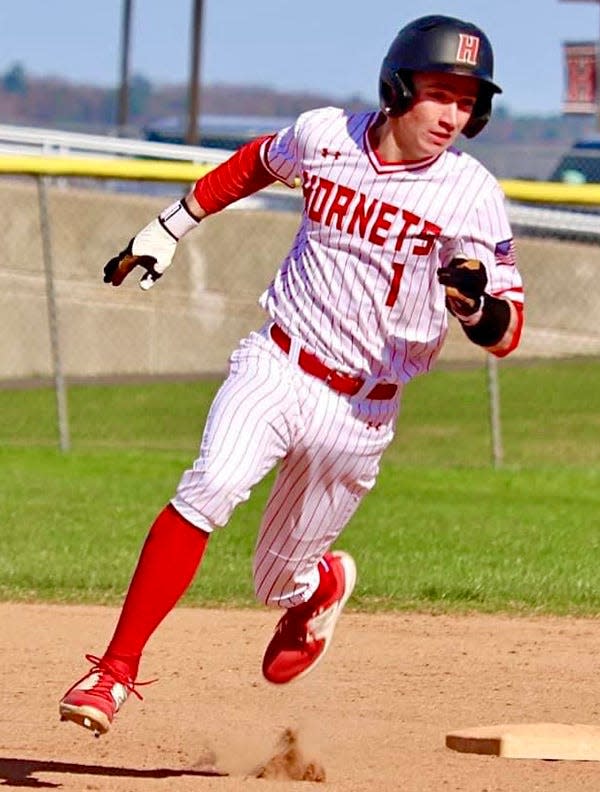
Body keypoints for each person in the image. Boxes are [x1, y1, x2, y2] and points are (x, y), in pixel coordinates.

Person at [59, 14, 524, 737]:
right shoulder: (325, 136)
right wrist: (168, 228)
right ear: (399, 87)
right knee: (210, 483)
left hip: (361, 415)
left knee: (274, 581)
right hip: (280, 359)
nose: (452, 114)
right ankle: (113, 671)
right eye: (439, 92)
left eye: (467, 101)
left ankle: (318, 587)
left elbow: (508, 332)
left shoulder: (471, 195)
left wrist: (475, 306)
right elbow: (255, 163)